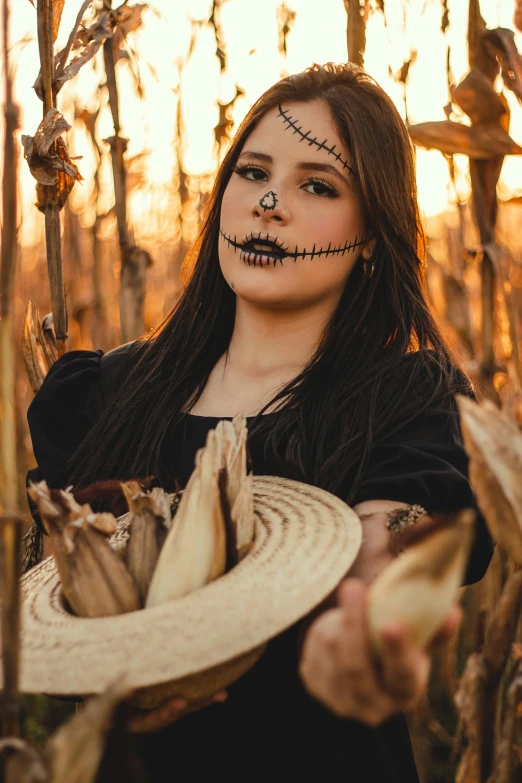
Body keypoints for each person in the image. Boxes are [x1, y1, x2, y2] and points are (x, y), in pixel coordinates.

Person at [26, 62, 493, 782]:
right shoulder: (105, 393)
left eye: (317, 185)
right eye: (251, 173)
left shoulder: (406, 399)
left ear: (373, 236)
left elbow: (382, 548)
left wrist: (364, 619)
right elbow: (58, 607)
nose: (270, 202)